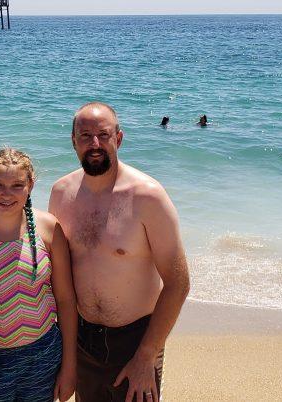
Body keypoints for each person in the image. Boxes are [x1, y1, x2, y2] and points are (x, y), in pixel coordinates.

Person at [49, 102, 190, 402]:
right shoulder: (61, 193)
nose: (95, 144)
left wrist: (146, 355)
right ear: (73, 140)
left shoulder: (147, 196)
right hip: (82, 340)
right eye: (85, 135)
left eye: (103, 134)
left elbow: (178, 284)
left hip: (135, 341)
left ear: (119, 139)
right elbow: (57, 277)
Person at [0, 148, 78, 402]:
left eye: (17, 185)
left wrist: (69, 366)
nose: (7, 194)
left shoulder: (49, 228)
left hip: (41, 356)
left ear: (31, 185)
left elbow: (65, 300)